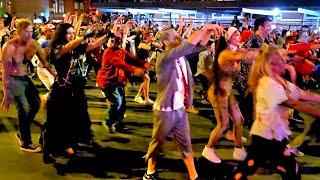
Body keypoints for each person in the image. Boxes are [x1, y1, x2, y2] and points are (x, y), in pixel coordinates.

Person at [143, 24, 224, 180]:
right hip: (165, 110)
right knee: (157, 143)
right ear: (166, 42)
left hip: (179, 109)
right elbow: (188, 45)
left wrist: (208, 32)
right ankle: (149, 172)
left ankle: (194, 176)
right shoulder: (164, 58)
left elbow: (200, 46)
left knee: (186, 144)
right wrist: (205, 28)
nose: (179, 38)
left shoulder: (181, 57)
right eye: (175, 37)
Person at [233, 44, 320, 180]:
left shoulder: (280, 81)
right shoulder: (267, 83)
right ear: (272, 64)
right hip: (266, 137)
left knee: (250, 167)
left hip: (273, 136)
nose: (286, 61)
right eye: (282, 59)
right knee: (291, 171)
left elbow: (303, 94)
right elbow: (293, 103)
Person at [44, 23, 108, 159]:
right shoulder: (57, 47)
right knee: (61, 118)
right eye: (69, 33)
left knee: (78, 114)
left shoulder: (75, 46)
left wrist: (107, 35)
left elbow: (92, 45)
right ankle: (63, 145)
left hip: (75, 87)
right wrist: (84, 36)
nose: (71, 35)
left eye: (73, 33)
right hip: (61, 88)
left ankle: (74, 141)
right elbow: (67, 48)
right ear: (62, 34)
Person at [1, 19, 55, 152]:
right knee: (23, 108)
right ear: (18, 32)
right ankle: (25, 142)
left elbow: (45, 63)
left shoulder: (34, 44)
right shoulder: (9, 46)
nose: (29, 34)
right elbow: (5, 71)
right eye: (26, 31)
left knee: (35, 104)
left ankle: (21, 132)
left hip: (25, 77)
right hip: (13, 79)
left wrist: (57, 77)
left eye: (31, 31)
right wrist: (6, 94)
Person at [201, 37, 247, 164]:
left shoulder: (232, 54)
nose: (240, 37)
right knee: (223, 124)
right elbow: (247, 56)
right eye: (237, 34)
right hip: (218, 92)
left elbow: (237, 68)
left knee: (239, 119)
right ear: (230, 38)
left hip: (227, 91)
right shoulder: (226, 54)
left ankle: (238, 148)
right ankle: (208, 149)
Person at [96, 26, 149, 133]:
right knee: (117, 102)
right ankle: (108, 121)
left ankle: (118, 124)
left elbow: (132, 58)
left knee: (122, 104)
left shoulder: (121, 51)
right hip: (108, 82)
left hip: (118, 81)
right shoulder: (108, 52)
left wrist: (144, 63)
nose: (116, 42)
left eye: (118, 40)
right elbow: (120, 63)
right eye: (113, 40)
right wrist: (135, 70)